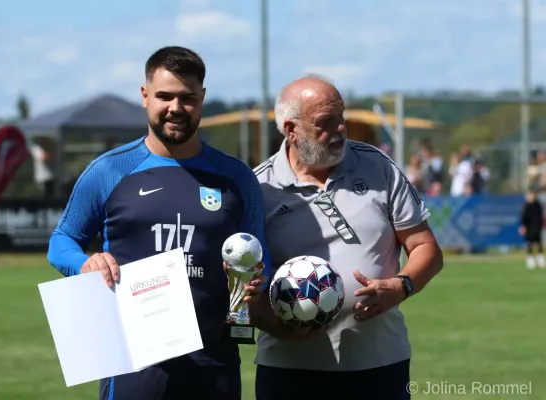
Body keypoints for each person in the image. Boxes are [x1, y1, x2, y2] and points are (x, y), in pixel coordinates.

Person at [47, 46, 270, 400]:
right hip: (132, 359)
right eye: (164, 96)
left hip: (214, 358)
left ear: (203, 99)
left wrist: (259, 281)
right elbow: (61, 242)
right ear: (145, 95)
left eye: (188, 98)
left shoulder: (237, 178)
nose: (176, 108)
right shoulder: (109, 170)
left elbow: (259, 255)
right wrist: (84, 263)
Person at [249, 75, 444, 400]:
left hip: (379, 365)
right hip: (289, 370)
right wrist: (275, 324)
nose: (340, 129)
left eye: (341, 118)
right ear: (291, 130)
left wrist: (401, 286)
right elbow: (243, 287)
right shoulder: (258, 189)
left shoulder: (379, 167)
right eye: (325, 122)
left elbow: (426, 248)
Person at [519, 189, 545, 269]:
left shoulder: (537, 205)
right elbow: (523, 218)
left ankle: (540, 258)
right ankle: (530, 258)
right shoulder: (525, 206)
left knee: (538, 242)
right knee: (529, 242)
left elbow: (541, 216)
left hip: (537, 226)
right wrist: (523, 226)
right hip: (529, 227)